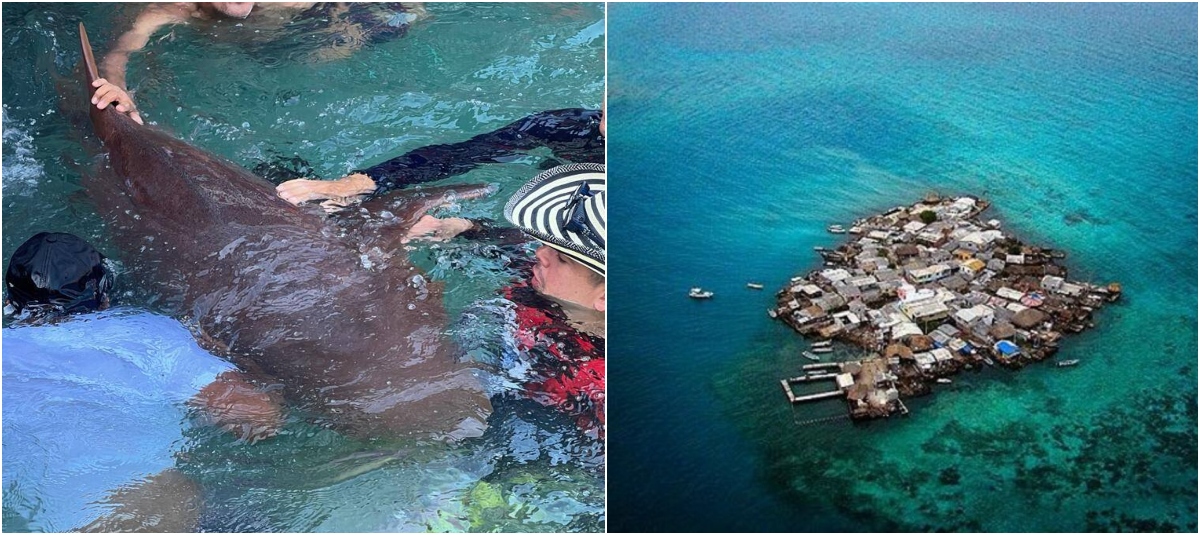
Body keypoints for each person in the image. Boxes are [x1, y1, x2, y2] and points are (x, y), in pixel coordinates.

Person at [2, 232, 282, 531]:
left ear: (9, 301)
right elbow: (260, 417)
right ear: (104, 297)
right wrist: (225, 354)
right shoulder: (147, 335)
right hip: (150, 517)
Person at [90, 2, 419, 125]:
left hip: (293, 45)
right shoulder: (170, 11)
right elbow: (121, 53)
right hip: (232, 62)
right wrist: (117, 89)